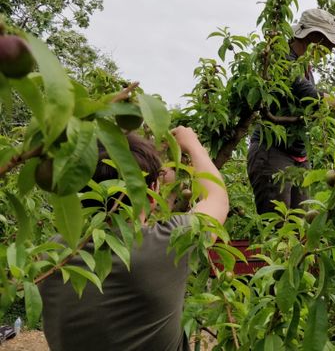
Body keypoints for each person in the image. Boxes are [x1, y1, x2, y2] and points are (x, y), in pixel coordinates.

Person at [39, 126, 229, 351]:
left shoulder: (51, 254)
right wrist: (192, 144)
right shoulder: (169, 242)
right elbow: (217, 198)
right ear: (150, 193)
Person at [248, 8, 335, 215]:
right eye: (329, 43)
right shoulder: (283, 60)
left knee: (300, 226)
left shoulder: (304, 65)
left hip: (298, 155)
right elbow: (309, 93)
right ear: (314, 37)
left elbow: (312, 101)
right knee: (277, 225)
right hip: (271, 151)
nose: (331, 49)